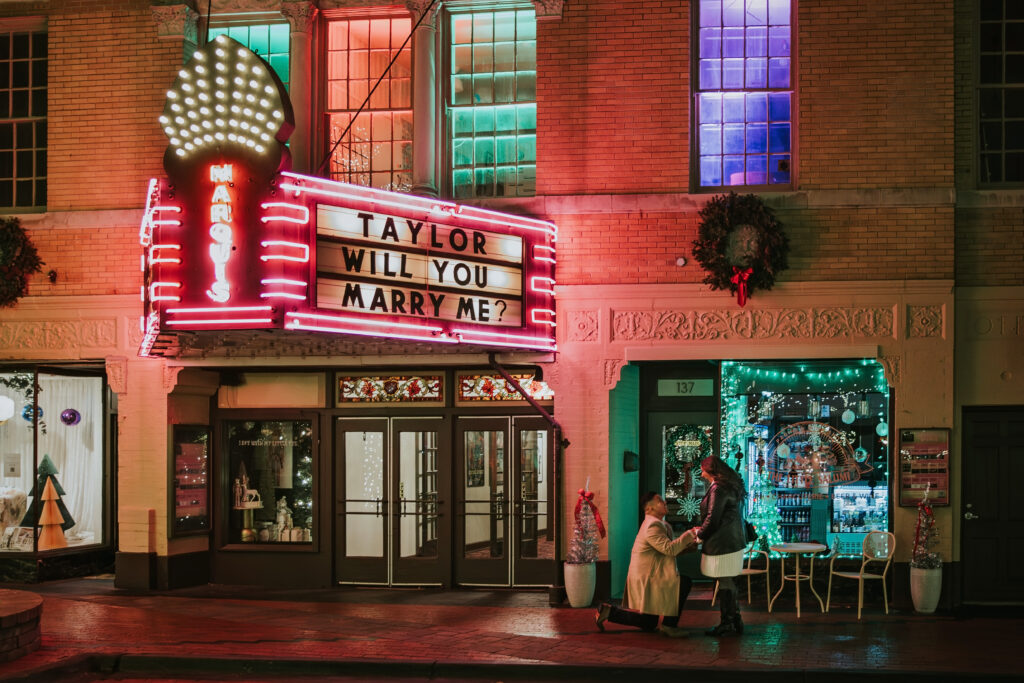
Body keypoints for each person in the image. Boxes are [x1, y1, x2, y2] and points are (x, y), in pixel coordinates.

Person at [595, 492, 697, 637]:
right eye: (660, 500)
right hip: (649, 577)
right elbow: (669, 549)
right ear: (649, 508)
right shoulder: (653, 526)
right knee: (684, 583)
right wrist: (690, 534)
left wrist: (686, 550)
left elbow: (665, 550)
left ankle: (608, 612)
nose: (665, 502)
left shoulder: (657, 524)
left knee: (649, 622)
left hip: (651, 574)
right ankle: (669, 626)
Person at [691, 456, 748, 636]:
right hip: (733, 541)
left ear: (711, 470)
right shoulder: (730, 485)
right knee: (728, 580)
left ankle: (728, 623)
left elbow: (713, 517)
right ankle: (734, 620)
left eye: (703, 469)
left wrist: (700, 534)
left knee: (724, 581)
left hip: (722, 543)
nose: (701, 473)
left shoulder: (718, 488)